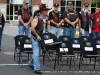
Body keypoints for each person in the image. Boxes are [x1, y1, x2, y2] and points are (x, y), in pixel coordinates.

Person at [28, 4, 52, 74]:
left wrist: (50, 31)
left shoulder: (45, 18)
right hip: (36, 38)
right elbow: (32, 29)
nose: (47, 11)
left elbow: (45, 28)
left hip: (41, 38)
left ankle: (30, 63)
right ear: (42, 11)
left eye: (47, 10)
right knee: (36, 53)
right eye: (45, 10)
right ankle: (37, 68)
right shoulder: (36, 18)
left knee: (38, 53)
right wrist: (37, 36)